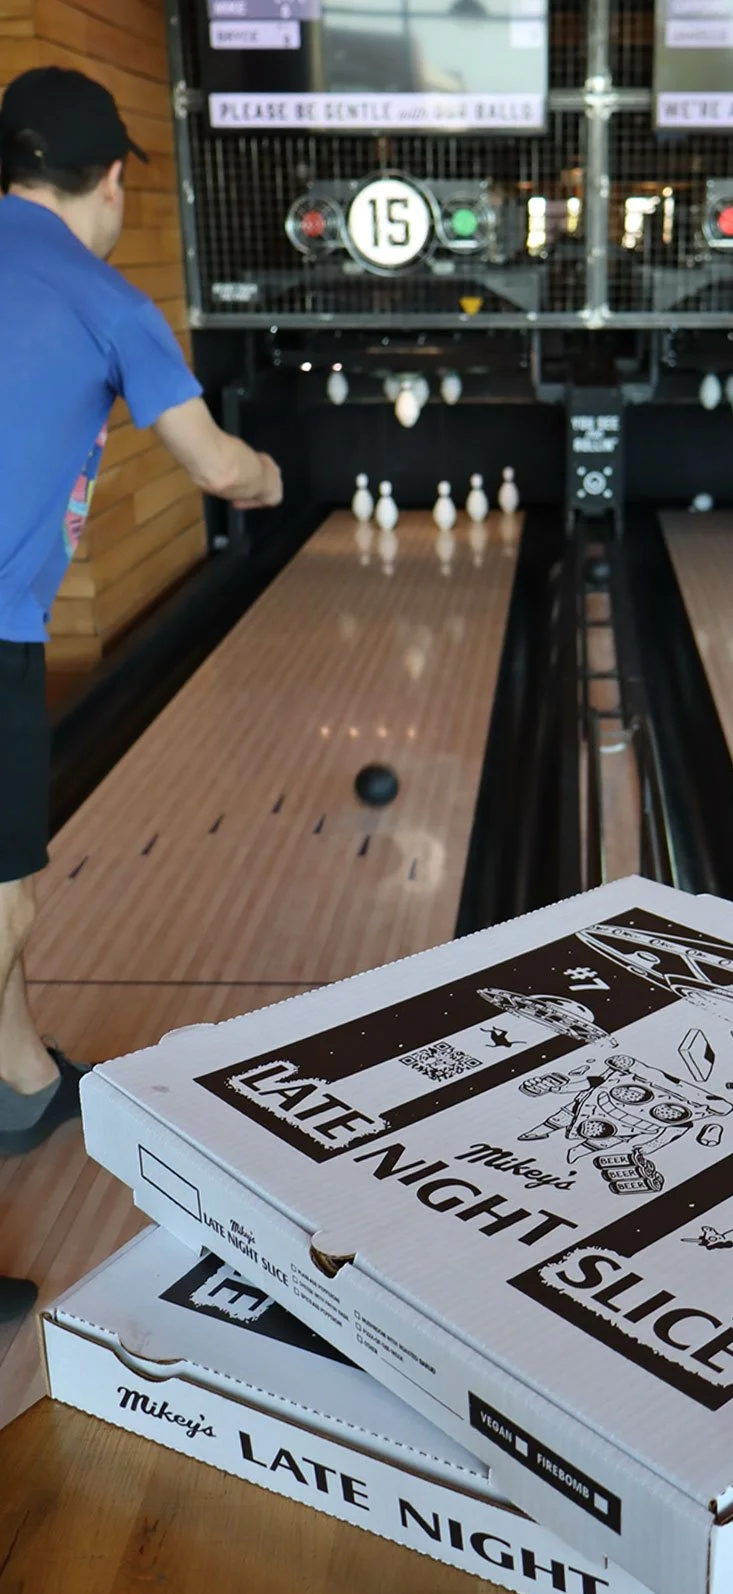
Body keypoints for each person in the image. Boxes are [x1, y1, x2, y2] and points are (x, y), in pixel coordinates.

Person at [0, 67, 283, 1323]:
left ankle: (18, 1085)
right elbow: (219, 468)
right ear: (114, 180)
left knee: (8, 882)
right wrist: (276, 471)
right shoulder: (108, 297)